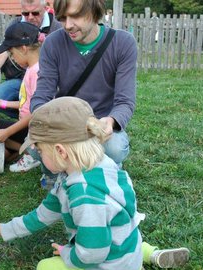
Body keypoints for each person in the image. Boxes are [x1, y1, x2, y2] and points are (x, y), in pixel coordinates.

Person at [0, 97, 190, 270]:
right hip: (127, 243)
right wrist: (8, 228)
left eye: (39, 150)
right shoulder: (101, 165)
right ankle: (149, 255)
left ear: (60, 151)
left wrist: (68, 253)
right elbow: (46, 211)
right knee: (126, 236)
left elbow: (92, 253)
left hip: (106, 264)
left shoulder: (83, 195)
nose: (36, 154)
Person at [29, 0, 136, 188]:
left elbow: (125, 102)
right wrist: (43, 125)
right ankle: (54, 176)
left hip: (99, 122)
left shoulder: (123, 43)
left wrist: (110, 122)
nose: (68, 25)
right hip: (65, 122)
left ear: (95, 11)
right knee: (35, 146)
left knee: (115, 148)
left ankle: (107, 170)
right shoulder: (52, 44)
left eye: (76, 16)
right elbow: (42, 95)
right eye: (63, 18)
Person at [0, 0, 62, 119]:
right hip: (21, 79)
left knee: (41, 101)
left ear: (46, 8)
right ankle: (24, 113)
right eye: (25, 13)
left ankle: (28, 116)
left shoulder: (58, 29)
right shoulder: (15, 24)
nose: (30, 17)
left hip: (49, 80)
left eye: (35, 13)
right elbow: (1, 54)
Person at [0, 22, 42, 172]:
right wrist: (3, 104)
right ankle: (23, 151)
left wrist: (8, 132)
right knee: (4, 156)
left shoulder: (36, 72)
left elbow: (36, 112)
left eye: (11, 53)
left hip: (33, 130)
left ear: (23, 48)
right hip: (28, 126)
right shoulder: (32, 68)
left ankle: (34, 154)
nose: (12, 59)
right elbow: (27, 103)